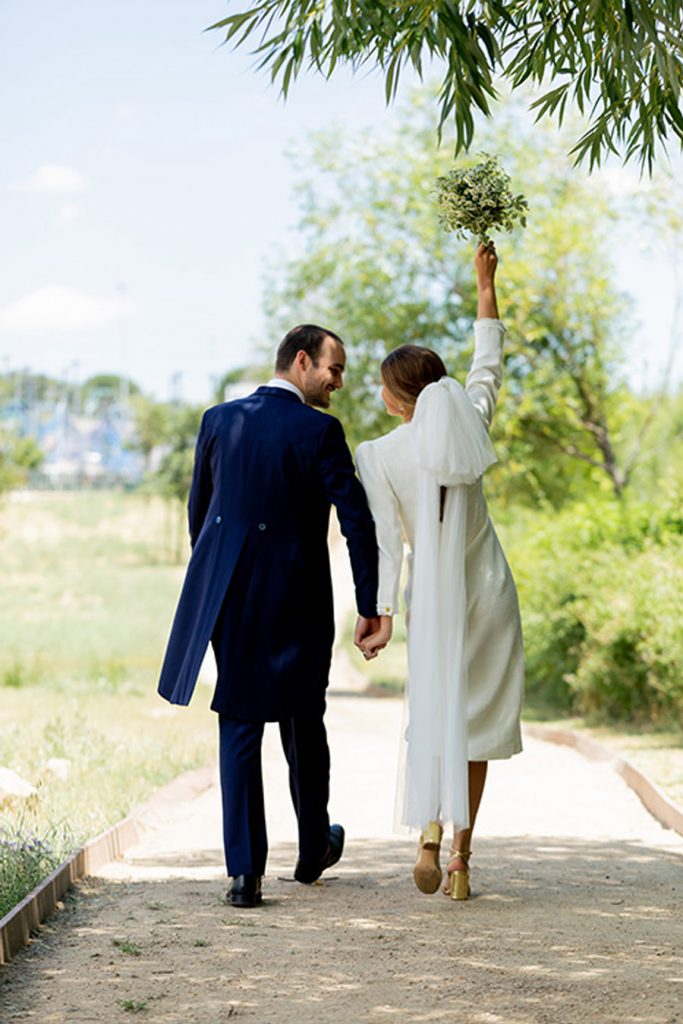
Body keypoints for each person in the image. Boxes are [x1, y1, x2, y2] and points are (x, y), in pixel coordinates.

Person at [157, 324, 381, 908]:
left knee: (238, 719)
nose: (337, 382)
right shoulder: (320, 431)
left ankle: (244, 874)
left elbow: (199, 518)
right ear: (301, 361)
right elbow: (357, 522)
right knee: (304, 720)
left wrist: (218, 583)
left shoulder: (218, 421)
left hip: (229, 598)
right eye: (333, 369)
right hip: (299, 600)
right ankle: (312, 850)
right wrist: (369, 604)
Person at [355, 244, 524, 901]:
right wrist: (484, 284)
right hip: (487, 593)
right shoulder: (471, 424)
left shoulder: (378, 454)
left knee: (433, 715)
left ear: (398, 401)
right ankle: (459, 860)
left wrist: (380, 615)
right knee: (475, 724)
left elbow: (384, 547)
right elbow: (488, 360)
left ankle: (425, 833)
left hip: (432, 602)